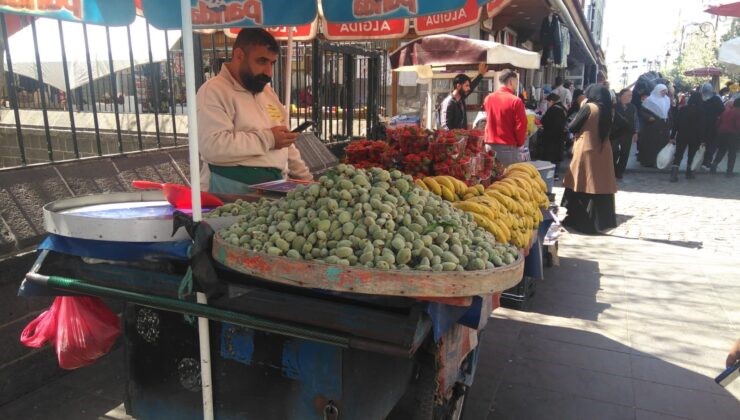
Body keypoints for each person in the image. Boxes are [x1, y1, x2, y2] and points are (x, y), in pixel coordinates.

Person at [196, 28, 312, 193]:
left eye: (272, 63)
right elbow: (213, 147)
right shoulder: (214, 91)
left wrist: (307, 180)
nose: (268, 72)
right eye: (262, 61)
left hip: (274, 188)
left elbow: (286, 144)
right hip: (228, 191)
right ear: (239, 56)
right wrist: (269, 139)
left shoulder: (268, 93)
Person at [560, 84, 617, 234]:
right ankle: (599, 224)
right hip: (604, 152)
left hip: (586, 150)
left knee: (581, 185)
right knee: (598, 187)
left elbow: (573, 126)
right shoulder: (609, 110)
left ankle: (579, 221)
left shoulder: (589, 107)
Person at [482, 69, 528, 166]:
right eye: (516, 82)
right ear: (511, 81)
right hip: (508, 148)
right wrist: (520, 143)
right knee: (509, 178)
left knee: (492, 178)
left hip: (489, 146)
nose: (516, 85)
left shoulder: (488, 98)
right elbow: (521, 126)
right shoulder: (516, 101)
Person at [669, 92, 705, 182]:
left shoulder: (682, 109)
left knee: (678, 154)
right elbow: (702, 127)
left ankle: (674, 175)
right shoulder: (701, 111)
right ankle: (689, 173)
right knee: (691, 155)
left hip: (682, 135)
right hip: (695, 137)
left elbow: (675, 124)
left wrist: (672, 136)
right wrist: (702, 139)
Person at [439, 63, 488, 130]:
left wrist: (480, 75)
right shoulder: (448, 103)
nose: (469, 88)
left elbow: (472, 86)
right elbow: (445, 127)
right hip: (453, 139)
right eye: (466, 86)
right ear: (458, 86)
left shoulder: (460, 98)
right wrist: (456, 137)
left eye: (468, 86)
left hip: (462, 139)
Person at [637, 84, 671, 168]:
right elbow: (642, 112)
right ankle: (648, 161)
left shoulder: (667, 100)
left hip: (663, 126)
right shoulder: (649, 100)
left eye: (665, 91)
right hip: (651, 127)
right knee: (650, 145)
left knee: (661, 144)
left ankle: (660, 162)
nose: (664, 92)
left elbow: (669, 113)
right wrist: (648, 117)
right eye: (662, 91)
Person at [611, 88, 639, 179]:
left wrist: (635, 132)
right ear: (621, 96)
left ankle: (620, 171)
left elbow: (635, 120)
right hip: (615, 133)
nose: (630, 97)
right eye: (628, 95)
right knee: (614, 151)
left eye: (631, 95)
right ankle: (613, 169)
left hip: (628, 133)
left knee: (625, 153)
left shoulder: (633, 107)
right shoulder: (614, 107)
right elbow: (610, 120)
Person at [710, 96, 740, 177]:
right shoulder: (738, 112)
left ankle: (714, 165)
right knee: (732, 153)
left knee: (721, 150)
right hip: (733, 135)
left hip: (722, 133)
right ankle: (729, 172)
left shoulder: (726, 111)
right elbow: (738, 125)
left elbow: (718, 122)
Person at [540, 92, 567, 179]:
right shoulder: (563, 108)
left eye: (548, 102)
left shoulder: (552, 109)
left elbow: (544, 121)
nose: (548, 104)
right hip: (560, 136)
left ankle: (548, 174)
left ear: (551, 101)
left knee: (550, 156)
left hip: (550, 137)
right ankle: (556, 174)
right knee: (557, 156)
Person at [700, 83, 726, 169]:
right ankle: (706, 162)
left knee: (703, 143)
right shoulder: (716, 99)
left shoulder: (701, 99)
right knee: (711, 144)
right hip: (713, 125)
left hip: (703, 125)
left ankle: (701, 161)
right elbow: (722, 110)